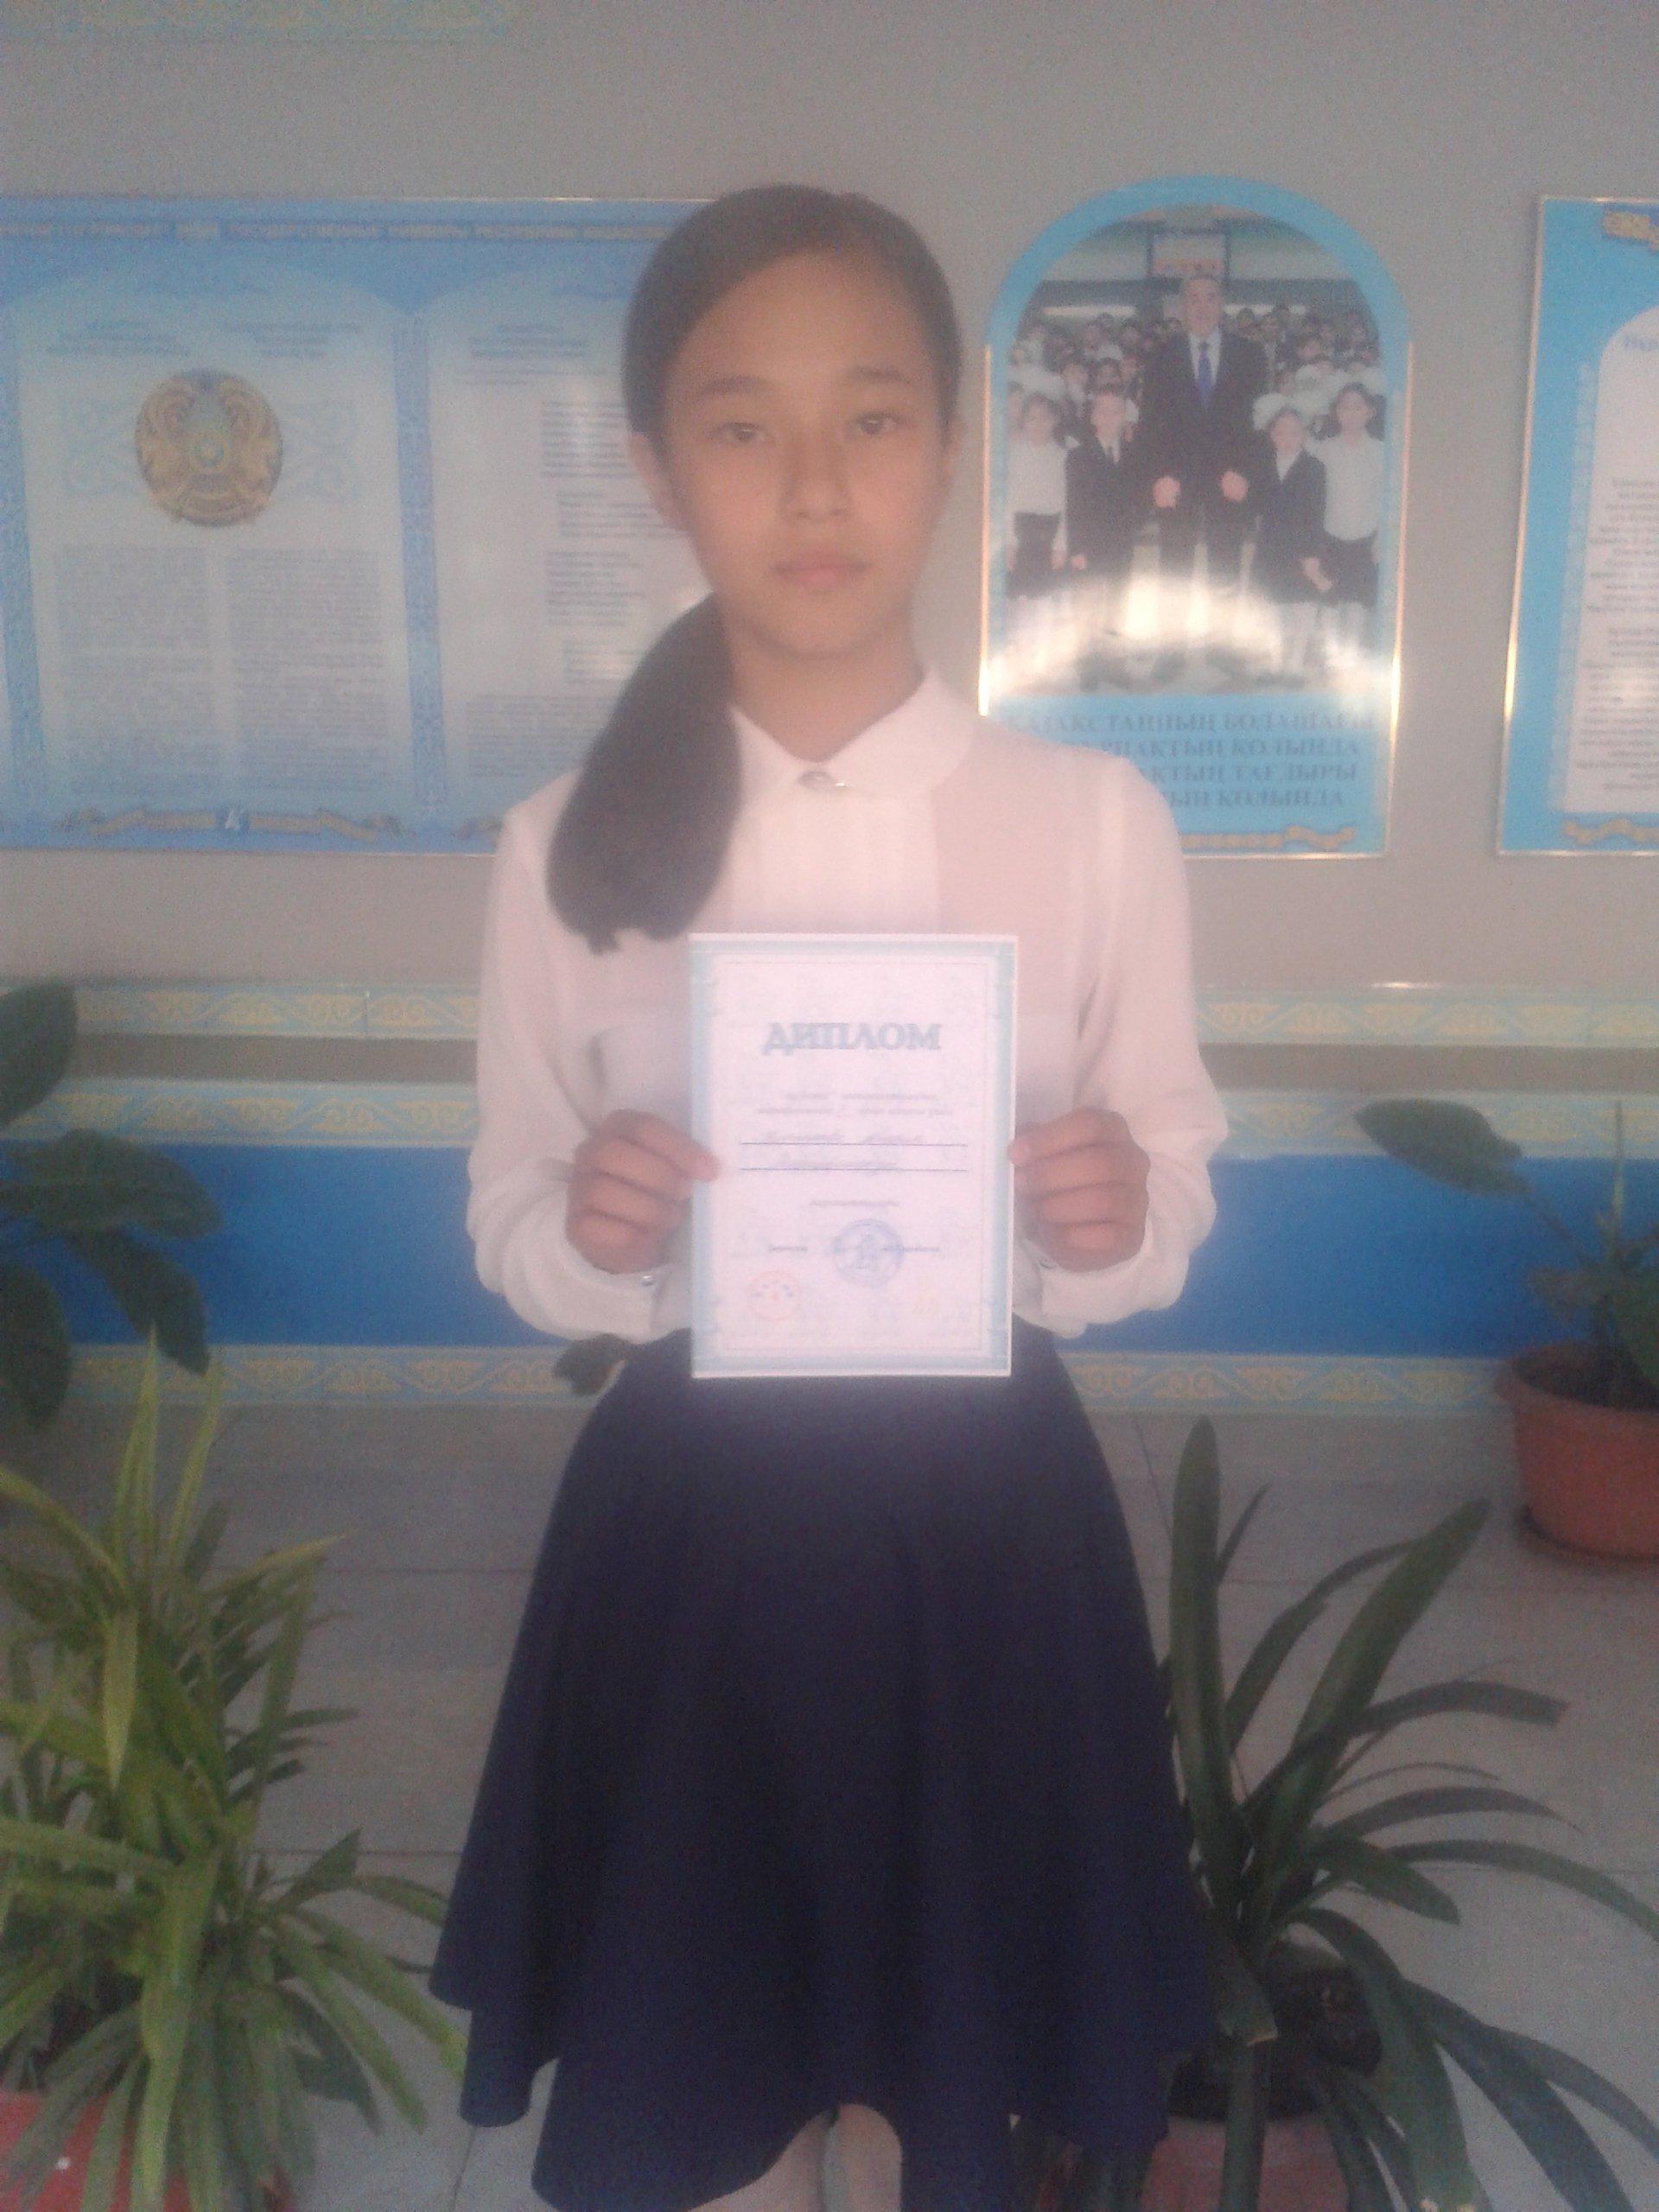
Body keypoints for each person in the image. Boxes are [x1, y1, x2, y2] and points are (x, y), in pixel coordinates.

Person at [428, 182, 1225, 2212]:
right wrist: (591, 1228)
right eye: (739, 424)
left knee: (934, 2074)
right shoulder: (559, 846)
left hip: (985, 1521)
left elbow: (1165, 1198)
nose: (811, 484)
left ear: (952, 446)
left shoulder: (1092, 821)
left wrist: (1110, 1205)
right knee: (711, 2060)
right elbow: (512, 1210)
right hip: (694, 1528)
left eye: (870, 418)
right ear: (654, 468)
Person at [1134, 271, 1268, 680]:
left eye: (1211, 297)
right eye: (1194, 298)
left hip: (1229, 478)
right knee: (1174, 564)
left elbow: (1260, 422)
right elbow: (1150, 423)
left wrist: (1243, 471)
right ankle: (1171, 652)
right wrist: (1159, 476)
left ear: (1221, 305)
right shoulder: (1161, 356)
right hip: (1177, 479)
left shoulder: (1250, 355)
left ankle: (1222, 648)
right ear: (1181, 306)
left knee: (1226, 563)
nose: (1203, 306)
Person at [1064, 385, 1146, 683]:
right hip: (1089, 545)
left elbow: (1140, 497)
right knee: (1089, 604)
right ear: (1093, 416)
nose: (1110, 418)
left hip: (1121, 544)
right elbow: (1073, 505)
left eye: (1116, 412)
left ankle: (1114, 665)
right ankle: (1088, 666)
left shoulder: (1133, 454)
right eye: (1103, 411)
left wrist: (1134, 525)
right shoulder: (1078, 456)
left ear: (1125, 416)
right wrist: (1077, 548)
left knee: (1117, 603)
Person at [1244, 402, 1332, 682]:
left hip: (1301, 546)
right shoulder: (1263, 466)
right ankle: (1274, 662)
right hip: (1270, 544)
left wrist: (1313, 554)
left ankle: (1295, 665)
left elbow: (1316, 512)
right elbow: (1255, 505)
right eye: (1280, 433)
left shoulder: (1314, 468)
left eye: (1294, 433)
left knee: (1301, 604)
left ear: (1303, 434)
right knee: (1271, 605)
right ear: (1271, 435)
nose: (1287, 439)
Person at [1313, 379, 1386, 664]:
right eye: (1345, 408)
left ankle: (1351, 654)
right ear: (1336, 413)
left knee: (1358, 599)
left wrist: (1381, 538)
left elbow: (1387, 498)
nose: (1351, 414)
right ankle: (1332, 654)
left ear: (1370, 412)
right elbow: (1315, 498)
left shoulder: (1382, 451)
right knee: (1330, 596)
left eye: (1358, 407)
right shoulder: (1324, 450)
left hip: (1367, 537)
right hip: (1330, 535)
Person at [1004, 388, 1070, 594]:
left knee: (1044, 597)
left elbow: (1065, 504)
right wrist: (1009, 543)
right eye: (1032, 419)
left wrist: (1060, 545)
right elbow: (1008, 501)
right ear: (1023, 421)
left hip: (1050, 533)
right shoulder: (1013, 454)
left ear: (1054, 420)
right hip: (1019, 532)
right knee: (1017, 597)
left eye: (1044, 418)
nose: (1038, 425)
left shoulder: (1063, 457)